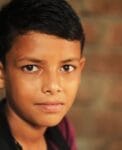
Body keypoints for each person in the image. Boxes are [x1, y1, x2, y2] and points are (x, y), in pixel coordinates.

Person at [0, 0, 85, 149]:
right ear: (1, 74)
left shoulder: (62, 130)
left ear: (80, 68)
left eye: (66, 68)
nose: (53, 86)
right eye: (31, 68)